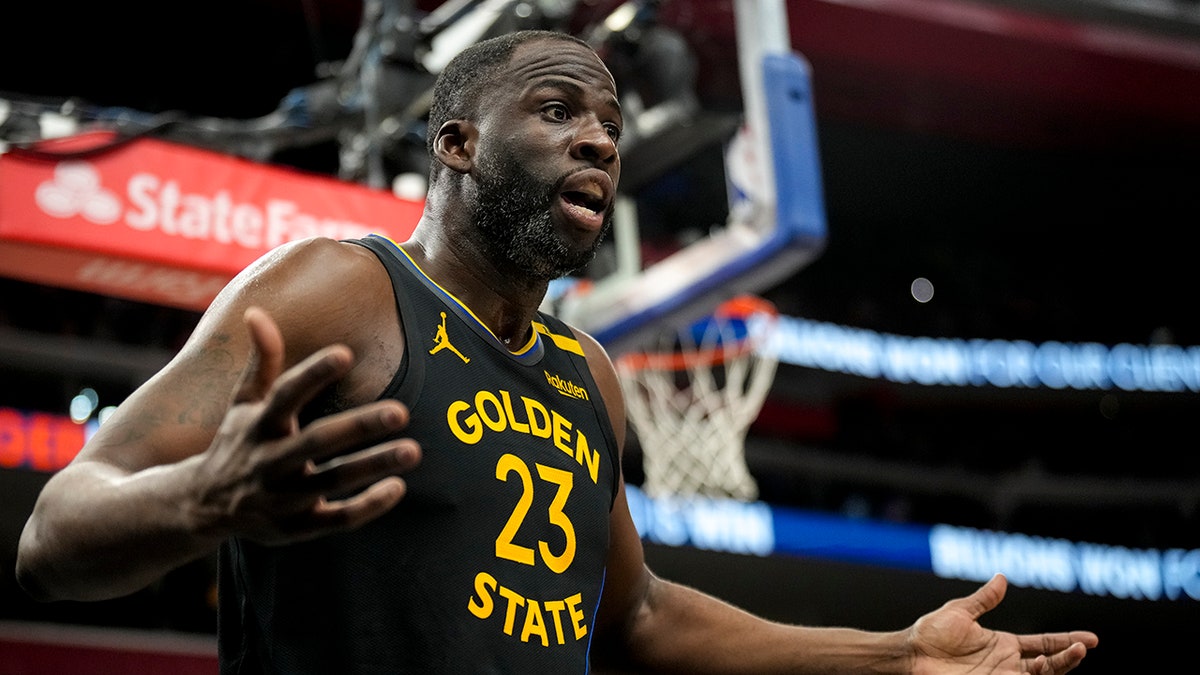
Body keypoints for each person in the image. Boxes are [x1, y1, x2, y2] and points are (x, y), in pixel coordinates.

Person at [16, 29, 1098, 673]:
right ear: (457, 145)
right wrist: (206, 499)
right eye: (557, 110)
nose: (599, 139)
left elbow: (635, 614)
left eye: (613, 126)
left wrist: (897, 652)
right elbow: (54, 534)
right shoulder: (341, 288)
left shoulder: (587, 376)